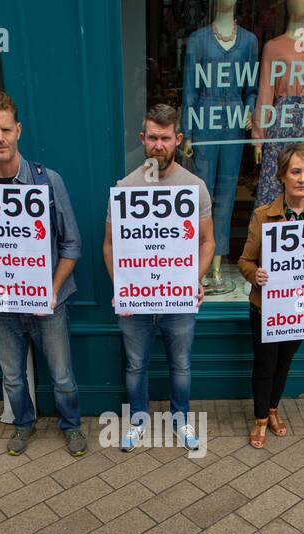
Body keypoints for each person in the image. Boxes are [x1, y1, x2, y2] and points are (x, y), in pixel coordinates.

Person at [0, 91, 87, 458]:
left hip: (47, 303)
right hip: (2, 307)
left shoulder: (47, 181)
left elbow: (72, 245)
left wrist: (51, 289)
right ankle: (23, 424)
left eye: (6, 129)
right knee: (13, 377)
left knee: (62, 376)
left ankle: (71, 426)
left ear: (18, 130)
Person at [103, 103, 213, 453]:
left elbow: (207, 241)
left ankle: (180, 419)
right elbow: (109, 245)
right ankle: (138, 421)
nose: (158, 145)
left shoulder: (194, 187)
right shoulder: (125, 188)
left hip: (178, 302)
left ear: (177, 139)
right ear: (142, 138)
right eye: (152, 138)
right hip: (136, 302)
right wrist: (121, 284)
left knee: (180, 365)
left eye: (166, 138)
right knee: (136, 366)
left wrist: (193, 279)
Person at [237, 143, 304, 449]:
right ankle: (260, 420)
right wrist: (257, 275)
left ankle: (273, 409)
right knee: (266, 365)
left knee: (284, 363)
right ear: (282, 176)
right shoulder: (264, 215)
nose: (302, 178)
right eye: (296, 171)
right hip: (266, 307)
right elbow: (244, 262)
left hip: (302, 305)